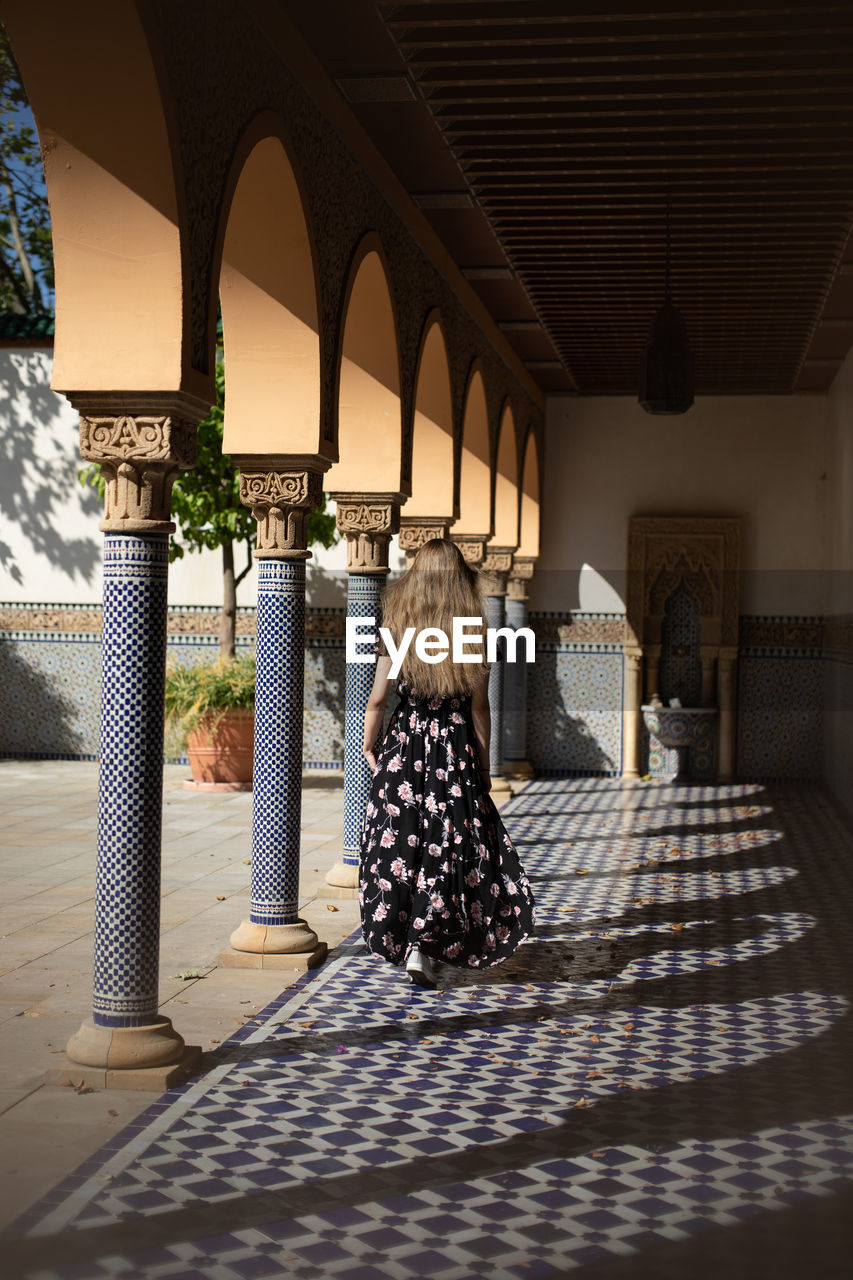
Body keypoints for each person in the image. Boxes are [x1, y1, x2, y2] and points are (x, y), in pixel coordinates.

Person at [359, 538, 535, 988]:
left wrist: (369, 744)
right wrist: (483, 762)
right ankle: (425, 944)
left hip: (406, 744)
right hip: (452, 746)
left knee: (404, 842)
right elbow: (480, 708)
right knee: (448, 842)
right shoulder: (474, 630)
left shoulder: (399, 623)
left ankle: (411, 941)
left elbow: (379, 697)